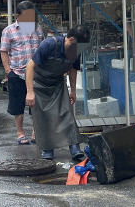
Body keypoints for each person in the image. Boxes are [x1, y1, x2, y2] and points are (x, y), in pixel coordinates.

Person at [25, 25, 90, 161]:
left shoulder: (75, 51)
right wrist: (30, 92)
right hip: (40, 84)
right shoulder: (49, 44)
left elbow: (73, 70)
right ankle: (48, 149)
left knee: (66, 114)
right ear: (71, 40)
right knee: (44, 117)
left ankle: (74, 147)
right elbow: (30, 67)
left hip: (57, 84)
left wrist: (73, 90)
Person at [0, 1, 44, 145]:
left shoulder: (38, 29)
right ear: (18, 16)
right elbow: (4, 51)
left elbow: (42, 49)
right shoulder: (9, 31)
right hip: (17, 73)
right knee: (17, 104)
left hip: (36, 74)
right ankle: (20, 133)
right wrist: (8, 71)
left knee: (36, 104)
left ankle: (35, 131)